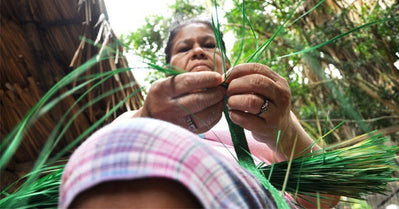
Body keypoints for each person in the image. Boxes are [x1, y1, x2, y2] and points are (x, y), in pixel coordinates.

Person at [59, 19, 340, 208]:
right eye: (184, 48)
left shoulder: (267, 114)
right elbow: (93, 166)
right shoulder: (136, 120)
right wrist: (150, 120)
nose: (197, 52)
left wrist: (283, 129)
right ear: (168, 68)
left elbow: (326, 197)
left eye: (208, 44)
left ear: (227, 61)